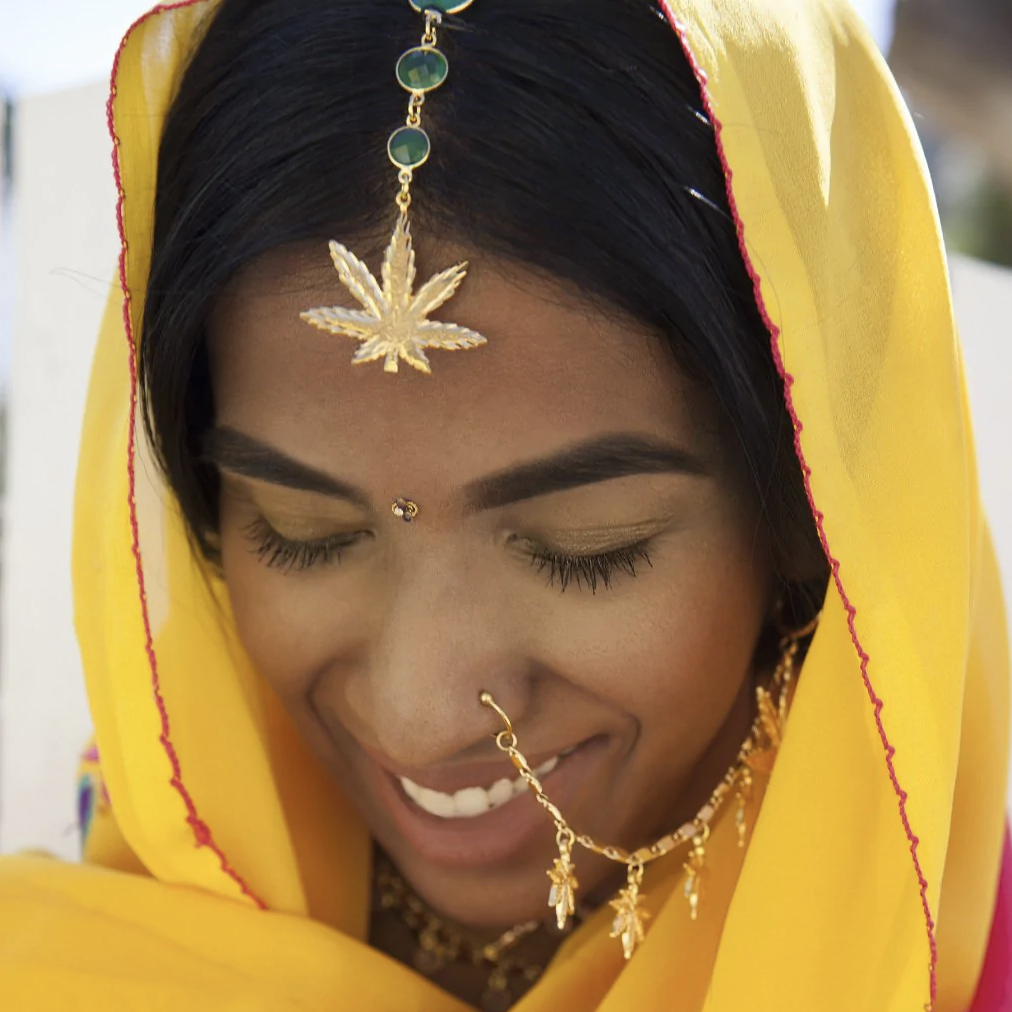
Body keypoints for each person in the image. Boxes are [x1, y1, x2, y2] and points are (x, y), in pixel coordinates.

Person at [0, 0, 1008, 1009]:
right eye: (301, 532)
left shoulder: (952, 963)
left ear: (810, 510)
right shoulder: (110, 913)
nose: (418, 713)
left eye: (586, 549)